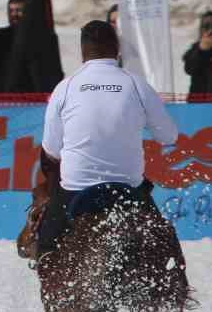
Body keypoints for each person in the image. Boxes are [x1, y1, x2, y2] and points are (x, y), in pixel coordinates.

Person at [36, 20, 180, 259]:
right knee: (167, 249)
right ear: (117, 48)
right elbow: (168, 136)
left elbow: (51, 149)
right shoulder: (137, 84)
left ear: (83, 52)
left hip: (76, 187)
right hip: (128, 188)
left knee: (47, 249)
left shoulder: (65, 87)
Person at [0, 0, 27, 92]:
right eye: (11, 11)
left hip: (30, 97)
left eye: (19, 10)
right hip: (1, 94)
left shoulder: (37, 37)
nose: (14, 14)